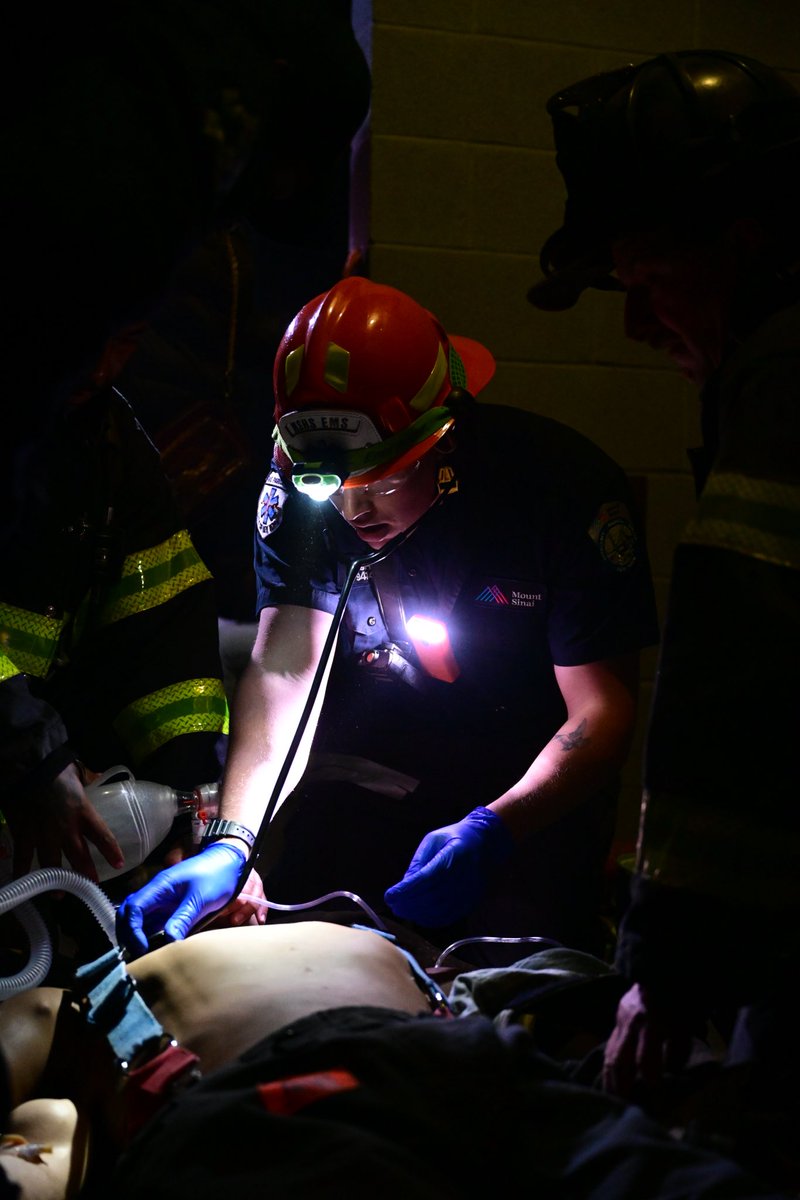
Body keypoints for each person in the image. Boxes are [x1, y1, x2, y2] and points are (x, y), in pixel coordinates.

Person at [116, 274, 660, 964]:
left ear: (442, 435)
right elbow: (285, 666)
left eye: (380, 483)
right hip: (373, 785)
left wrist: (499, 825)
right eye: (331, 490)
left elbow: (602, 711)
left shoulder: (561, 490)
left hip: (528, 803)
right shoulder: (295, 491)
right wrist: (233, 838)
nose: (354, 511)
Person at [1, 2, 371, 891]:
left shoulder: (110, 448)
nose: (105, 354)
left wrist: (199, 795)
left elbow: (162, 631)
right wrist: (26, 756)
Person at [528, 48, 800, 1187]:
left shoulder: (783, 382)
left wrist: (667, 961)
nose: (636, 329)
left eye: (646, 280)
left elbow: (739, 673)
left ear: (737, 242)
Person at [0, 919, 792, 1200]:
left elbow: (39, 1156)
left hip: (301, 1100)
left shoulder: (85, 1000)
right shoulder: (92, 991)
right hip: (459, 1069)